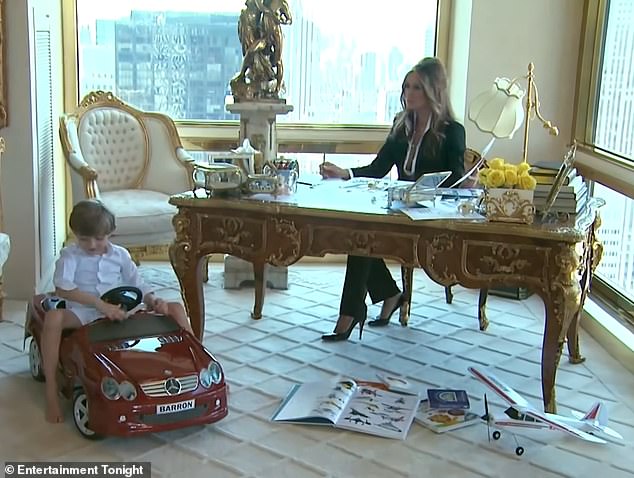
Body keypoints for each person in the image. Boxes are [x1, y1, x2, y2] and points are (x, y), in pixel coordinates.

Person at [319, 57, 465, 342]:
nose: (409, 94)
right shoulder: (402, 125)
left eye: (417, 88)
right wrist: (344, 172)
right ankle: (380, 297)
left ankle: (358, 310)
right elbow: (378, 168)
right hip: (400, 206)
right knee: (359, 232)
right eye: (407, 87)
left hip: (430, 212)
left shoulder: (451, 131)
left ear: (433, 92)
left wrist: (440, 187)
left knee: (362, 237)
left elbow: (455, 179)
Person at [41, 199, 193, 423]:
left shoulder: (120, 255)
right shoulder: (70, 256)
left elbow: (138, 283)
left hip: (122, 310)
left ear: (110, 234)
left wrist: (153, 299)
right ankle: (51, 390)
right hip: (85, 313)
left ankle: (198, 367)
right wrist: (100, 305)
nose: (92, 245)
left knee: (176, 309)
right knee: (53, 318)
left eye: (99, 238)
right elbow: (63, 289)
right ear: (75, 234)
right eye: (84, 239)